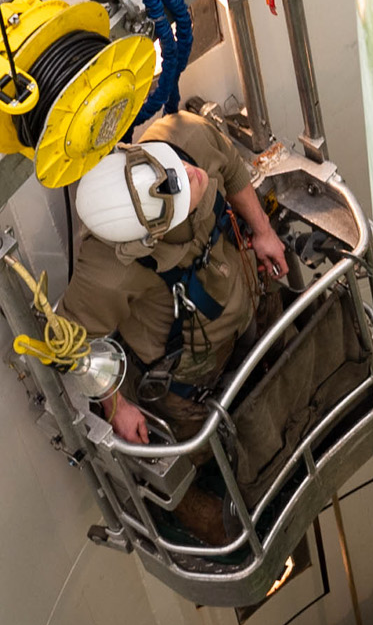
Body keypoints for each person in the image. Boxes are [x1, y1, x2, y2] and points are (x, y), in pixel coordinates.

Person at [60, 109, 290, 455]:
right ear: (151, 239)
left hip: (249, 305)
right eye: (177, 191)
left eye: (170, 166)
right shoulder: (107, 272)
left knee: (283, 375)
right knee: (212, 454)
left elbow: (228, 163)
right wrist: (116, 406)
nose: (189, 173)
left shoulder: (185, 140)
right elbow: (74, 342)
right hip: (188, 382)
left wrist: (264, 231)